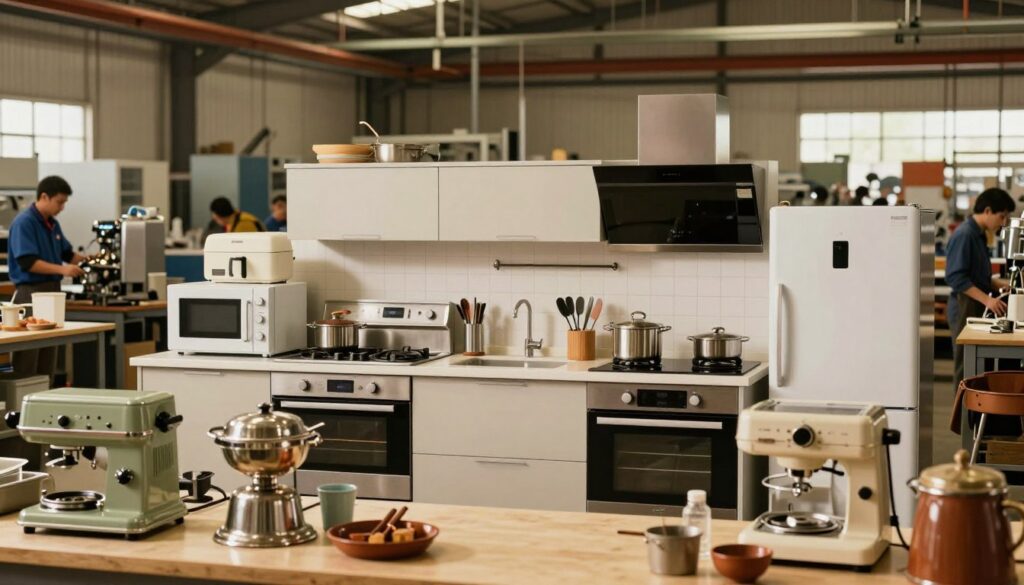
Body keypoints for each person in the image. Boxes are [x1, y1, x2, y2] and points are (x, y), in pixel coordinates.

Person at [8, 176, 87, 378]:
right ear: (44, 197)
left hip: (52, 293)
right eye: (59, 202)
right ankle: (21, 405)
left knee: (49, 356)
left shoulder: (52, 224)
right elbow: (28, 262)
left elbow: (67, 255)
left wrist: (91, 260)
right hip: (31, 294)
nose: (62, 207)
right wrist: (63, 270)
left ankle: (43, 401)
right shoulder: (24, 223)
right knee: (28, 358)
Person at [947, 187, 1016, 384]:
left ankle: (975, 413)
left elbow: (979, 277)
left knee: (975, 368)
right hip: (964, 305)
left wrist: (1004, 285)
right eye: (1001, 216)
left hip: (974, 303)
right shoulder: (965, 235)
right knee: (965, 367)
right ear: (987, 211)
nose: (1003, 223)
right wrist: (989, 300)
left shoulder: (978, 234)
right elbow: (956, 277)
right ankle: (963, 414)